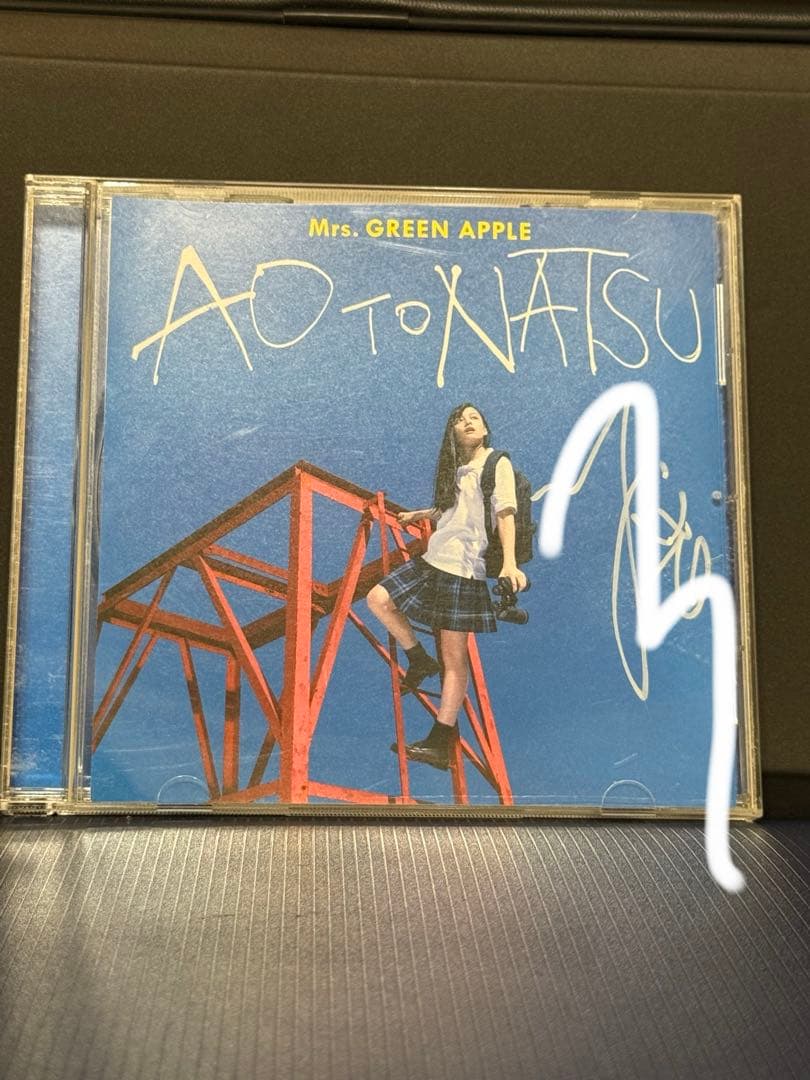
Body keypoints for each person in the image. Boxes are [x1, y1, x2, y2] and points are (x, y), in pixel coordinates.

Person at [367, 402, 527, 771]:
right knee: (378, 598)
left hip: (463, 568)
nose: (467, 422)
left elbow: (505, 511)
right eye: (460, 419)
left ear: (485, 429)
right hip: (434, 558)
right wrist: (420, 514)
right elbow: (451, 509)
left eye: (474, 418)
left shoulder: (497, 462)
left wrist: (509, 562)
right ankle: (419, 658)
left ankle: (439, 742)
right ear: (452, 432)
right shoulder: (457, 470)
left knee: (454, 660)